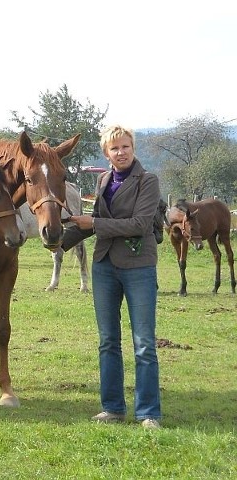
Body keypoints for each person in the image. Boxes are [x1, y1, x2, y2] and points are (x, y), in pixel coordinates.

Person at [61, 124, 162, 429]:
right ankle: (113, 408)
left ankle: (147, 413)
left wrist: (92, 224)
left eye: (125, 147)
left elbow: (140, 224)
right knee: (108, 341)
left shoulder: (148, 180)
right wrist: (59, 240)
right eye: (114, 148)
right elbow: (97, 222)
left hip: (138, 267)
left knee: (143, 342)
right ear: (106, 153)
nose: (121, 152)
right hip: (104, 265)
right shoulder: (104, 179)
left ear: (133, 149)